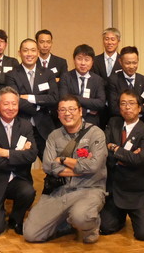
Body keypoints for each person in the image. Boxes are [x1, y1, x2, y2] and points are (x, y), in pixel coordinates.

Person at [23, 95, 107, 244]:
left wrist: (62, 160)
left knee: (81, 217)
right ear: (58, 114)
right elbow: (48, 166)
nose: (67, 113)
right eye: (62, 110)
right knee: (31, 234)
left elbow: (94, 166)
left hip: (89, 189)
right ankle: (65, 223)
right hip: (59, 191)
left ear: (80, 111)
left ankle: (91, 227)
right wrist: (81, 167)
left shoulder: (96, 133)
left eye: (72, 109)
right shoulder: (54, 136)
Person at [0, 87, 37, 236]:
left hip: (17, 178)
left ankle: (16, 219)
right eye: (6, 104)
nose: (10, 108)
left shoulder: (25, 125)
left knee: (28, 192)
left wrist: (6, 153)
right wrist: (19, 156)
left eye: (14, 104)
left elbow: (32, 155)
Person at [100, 90, 144, 241]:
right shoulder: (113, 123)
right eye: (123, 103)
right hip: (115, 187)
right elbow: (102, 148)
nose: (127, 107)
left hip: (136, 190)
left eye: (131, 103)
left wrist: (115, 148)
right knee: (105, 228)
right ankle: (120, 218)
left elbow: (140, 160)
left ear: (139, 108)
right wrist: (129, 156)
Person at [8, 38, 59, 159]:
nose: (29, 54)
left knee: (50, 161)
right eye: (25, 50)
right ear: (19, 53)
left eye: (33, 50)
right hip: (21, 126)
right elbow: (15, 100)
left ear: (38, 52)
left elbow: (54, 98)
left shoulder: (48, 74)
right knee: (21, 161)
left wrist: (32, 98)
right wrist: (39, 106)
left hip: (44, 125)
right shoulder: (12, 74)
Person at [58, 44, 106, 127]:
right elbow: (64, 99)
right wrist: (87, 110)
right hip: (69, 120)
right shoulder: (66, 77)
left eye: (87, 59)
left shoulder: (98, 80)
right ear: (74, 60)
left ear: (92, 62)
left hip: (91, 122)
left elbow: (100, 103)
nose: (83, 63)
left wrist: (73, 97)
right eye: (79, 59)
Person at [105, 46, 144, 120]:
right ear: (120, 62)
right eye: (128, 63)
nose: (131, 66)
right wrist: (140, 107)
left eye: (134, 63)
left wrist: (136, 108)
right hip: (120, 122)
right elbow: (114, 108)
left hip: (141, 123)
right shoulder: (113, 80)